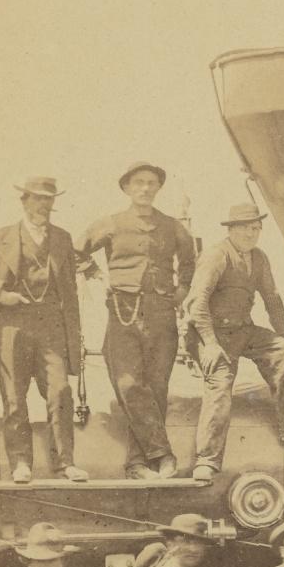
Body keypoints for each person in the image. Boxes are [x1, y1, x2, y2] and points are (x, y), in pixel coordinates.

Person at [185, 201, 284, 481]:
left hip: (243, 329)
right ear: (232, 229)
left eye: (256, 228)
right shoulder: (216, 256)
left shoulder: (258, 257)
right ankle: (207, 460)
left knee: (283, 351)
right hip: (211, 334)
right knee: (220, 383)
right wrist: (209, 345)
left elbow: (272, 299)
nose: (252, 233)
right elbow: (196, 305)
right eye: (246, 228)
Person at [77, 162, 194, 479]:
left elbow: (189, 261)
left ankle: (137, 464)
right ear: (127, 188)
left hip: (162, 314)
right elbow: (75, 251)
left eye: (151, 182)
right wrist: (96, 275)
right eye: (138, 183)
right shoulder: (111, 223)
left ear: (158, 188)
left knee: (156, 388)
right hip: (122, 312)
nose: (145, 188)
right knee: (129, 384)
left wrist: (181, 291)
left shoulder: (173, 226)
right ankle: (163, 454)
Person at [0, 174, 86, 482]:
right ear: (24, 200)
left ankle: (65, 463)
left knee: (60, 392)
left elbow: (71, 293)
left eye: (48, 199)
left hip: (51, 324)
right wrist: (1, 293)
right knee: (14, 396)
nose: (43, 204)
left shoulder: (62, 238)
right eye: (37, 198)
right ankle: (20, 463)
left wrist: (72, 335)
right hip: (12, 325)